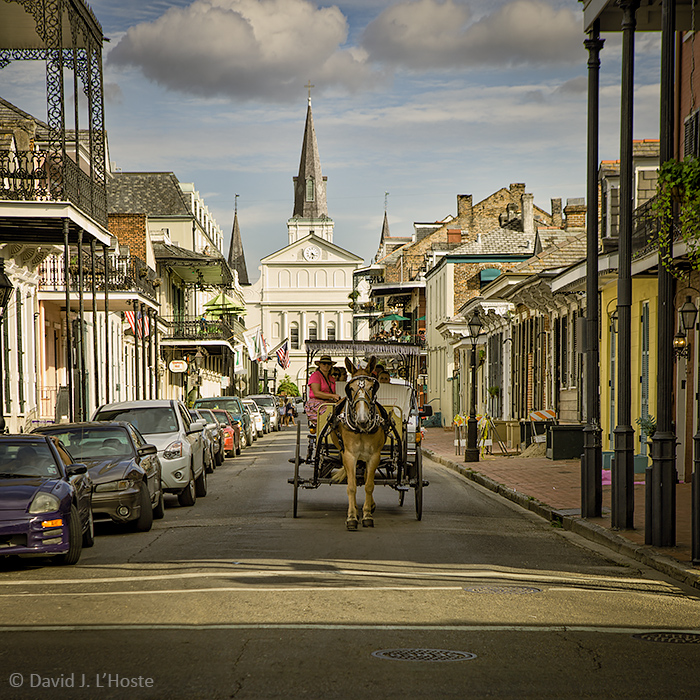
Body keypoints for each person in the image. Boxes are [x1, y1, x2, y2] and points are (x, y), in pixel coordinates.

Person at [305, 355, 340, 428]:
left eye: (328, 364)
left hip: (329, 402)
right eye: (324, 363)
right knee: (328, 413)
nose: (326, 366)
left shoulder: (332, 379)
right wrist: (332, 396)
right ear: (320, 365)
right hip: (316, 403)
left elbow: (333, 394)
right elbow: (316, 393)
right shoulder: (315, 375)